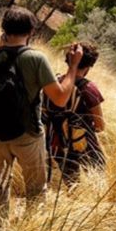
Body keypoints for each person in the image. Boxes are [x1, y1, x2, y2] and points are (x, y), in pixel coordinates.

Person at [0, 6, 81, 224]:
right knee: (36, 190)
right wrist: (73, 67)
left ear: (4, 29)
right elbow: (59, 98)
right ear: (31, 32)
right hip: (27, 136)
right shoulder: (35, 59)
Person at [44, 42, 106, 186]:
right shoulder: (89, 89)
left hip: (56, 143)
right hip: (82, 145)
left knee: (70, 182)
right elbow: (100, 125)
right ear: (89, 66)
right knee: (97, 176)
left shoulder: (55, 83)